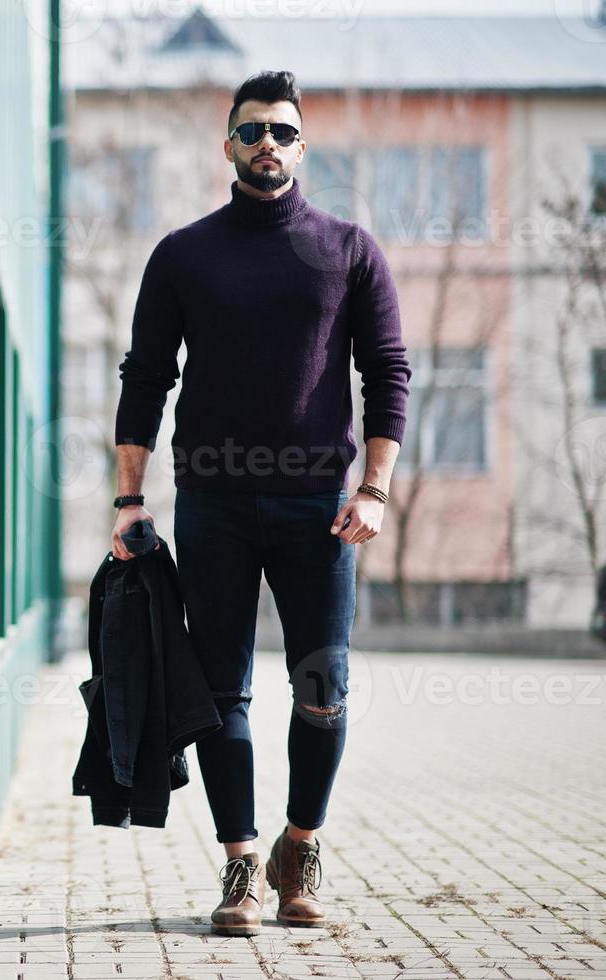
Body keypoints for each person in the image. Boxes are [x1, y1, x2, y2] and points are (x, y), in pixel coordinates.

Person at [108, 70, 412, 936]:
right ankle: (241, 864)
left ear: (301, 144)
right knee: (220, 691)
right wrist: (129, 498)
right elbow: (145, 376)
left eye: (281, 131)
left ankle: (299, 846)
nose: (266, 144)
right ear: (228, 144)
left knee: (322, 686)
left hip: (320, 505)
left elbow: (386, 371)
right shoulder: (183, 254)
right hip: (212, 503)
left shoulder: (348, 249)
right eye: (251, 132)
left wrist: (376, 488)